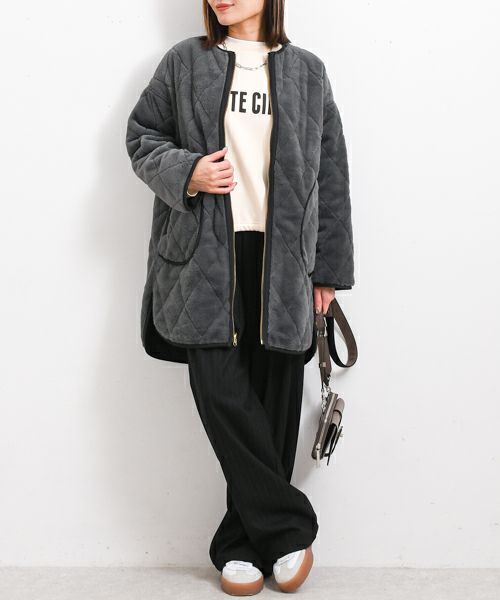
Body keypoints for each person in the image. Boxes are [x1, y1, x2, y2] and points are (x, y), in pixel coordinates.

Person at [125, 0, 355, 594]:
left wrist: (328, 271)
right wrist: (188, 171)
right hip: (203, 257)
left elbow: (331, 176)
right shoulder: (184, 63)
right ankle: (288, 530)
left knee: (276, 400)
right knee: (222, 393)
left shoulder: (308, 72)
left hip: (284, 262)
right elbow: (142, 137)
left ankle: (240, 545)